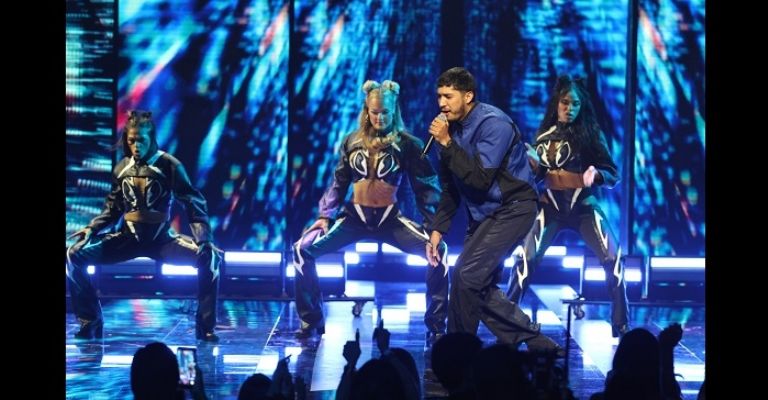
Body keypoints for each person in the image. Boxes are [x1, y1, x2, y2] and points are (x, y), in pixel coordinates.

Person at [293, 80, 448, 343]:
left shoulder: (408, 144)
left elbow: (426, 187)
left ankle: (436, 324)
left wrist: (434, 228)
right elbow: (339, 182)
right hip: (354, 218)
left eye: (385, 112)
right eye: (374, 112)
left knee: (439, 252)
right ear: (367, 110)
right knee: (301, 249)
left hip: (389, 220)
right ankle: (311, 320)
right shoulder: (352, 141)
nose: (379, 117)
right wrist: (324, 216)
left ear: (394, 110)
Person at [425, 67, 562, 354]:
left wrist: (447, 144)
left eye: (448, 96)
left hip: (514, 208)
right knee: (476, 284)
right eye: (439, 97)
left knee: (466, 276)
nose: (442, 103)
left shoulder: (493, 124)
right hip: (484, 214)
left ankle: (458, 352)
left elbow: (479, 178)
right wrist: (438, 229)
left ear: (468, 96)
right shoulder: (448, 133)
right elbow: (452, 188)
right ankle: (537, 343)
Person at [66, 110, 223, 342]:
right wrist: (92, 229)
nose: (136, 146)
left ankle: (205, 327)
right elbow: (113, 208)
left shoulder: (169, 165)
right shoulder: (121, 167)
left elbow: (193, 202)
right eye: (131, 141)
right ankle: (90, 321)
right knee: (74, 255)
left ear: (151, 139)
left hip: (162, 241)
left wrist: (204, 240)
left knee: (210, 260)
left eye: (141, 140)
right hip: (127, 239)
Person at [505, 75, 629, 337]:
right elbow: (538, 176)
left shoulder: (590, 136)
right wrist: (533, 165)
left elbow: (612, 173)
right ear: (557, 103)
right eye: (565, 102)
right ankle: (506, 319)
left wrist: (596, 174)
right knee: (525, 258)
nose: (569, 108)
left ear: (582, 106)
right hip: (550, 207)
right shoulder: (544, 137)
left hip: (583, 207)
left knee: (613, 257)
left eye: (575, 104)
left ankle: (621, 324)